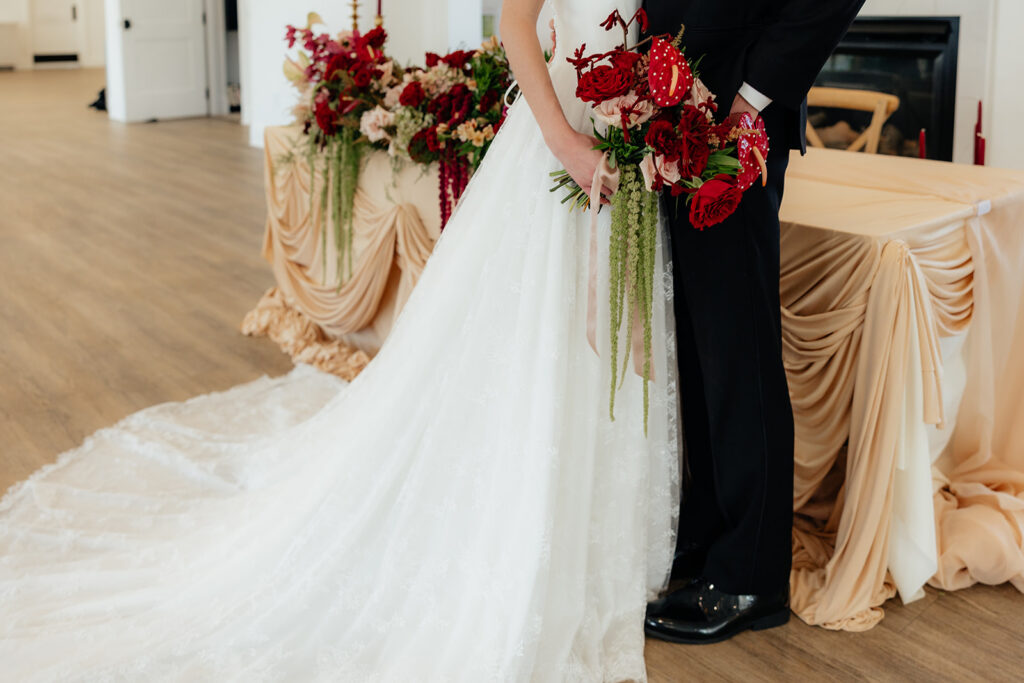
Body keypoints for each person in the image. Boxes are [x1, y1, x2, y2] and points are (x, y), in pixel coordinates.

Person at [0, 1, 680, 680]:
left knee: (601, 331)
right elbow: (513, 21)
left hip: (629, 135)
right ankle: (522, 529)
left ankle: (596, 534)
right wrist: (565, 140)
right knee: (540, 336)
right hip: (561, 138)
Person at [641, 0, 866, 644]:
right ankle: (713, 540)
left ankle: (751, 575)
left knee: (737, 350)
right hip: (672, 112)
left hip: (735, 119)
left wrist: (749, 98)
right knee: (700, 348)